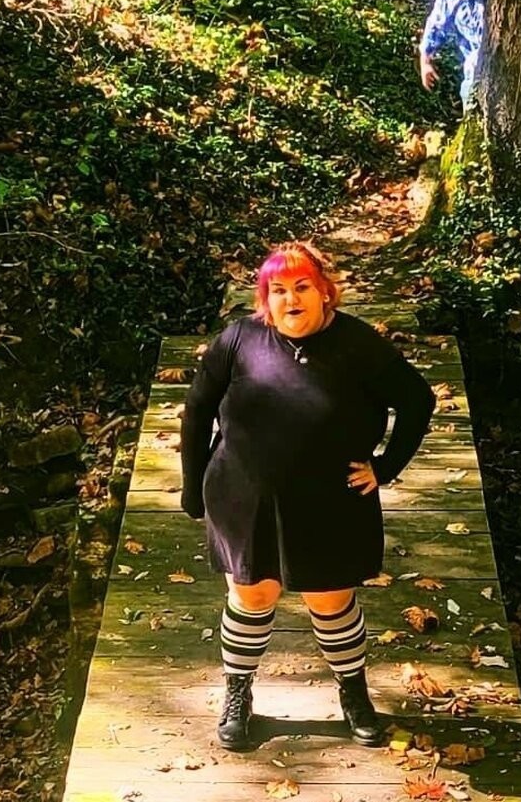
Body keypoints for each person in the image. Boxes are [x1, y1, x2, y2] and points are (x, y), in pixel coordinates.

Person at [180, 242, 436, 752]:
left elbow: (417, 400)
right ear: (265, 298)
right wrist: (192, 487)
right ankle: (238, 693)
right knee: (251, 596)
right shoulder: (238, 340)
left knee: (330, 599)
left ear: (325, 292)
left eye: (302, 287)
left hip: (330, 500)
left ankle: (354, 693)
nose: (291, 300)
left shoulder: (358, 344)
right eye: (278, 290)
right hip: (244, 498)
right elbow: (197, 411)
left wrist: (385, 467)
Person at [419, 0, 488, 110]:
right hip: (474, 63)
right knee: (469, 92)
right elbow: (435, 26)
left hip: (500, 54)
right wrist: (425, 61)